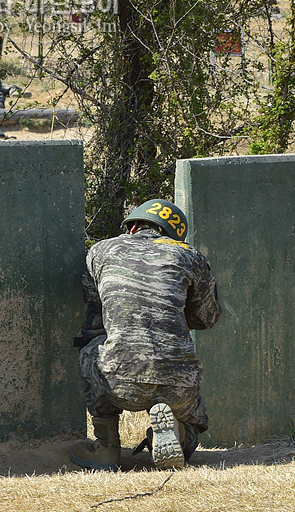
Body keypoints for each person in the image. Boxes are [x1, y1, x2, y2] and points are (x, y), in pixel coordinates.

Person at [69, 199, 222, 471]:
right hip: (178, 382)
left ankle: (106, 447)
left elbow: (95, 317)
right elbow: (207, 318)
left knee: (90, 348)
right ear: (173, 234)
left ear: (134, 226)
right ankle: (179, 432)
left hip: (117, 379)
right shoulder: (189, 255)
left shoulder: (100, 251)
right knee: (191, 416)